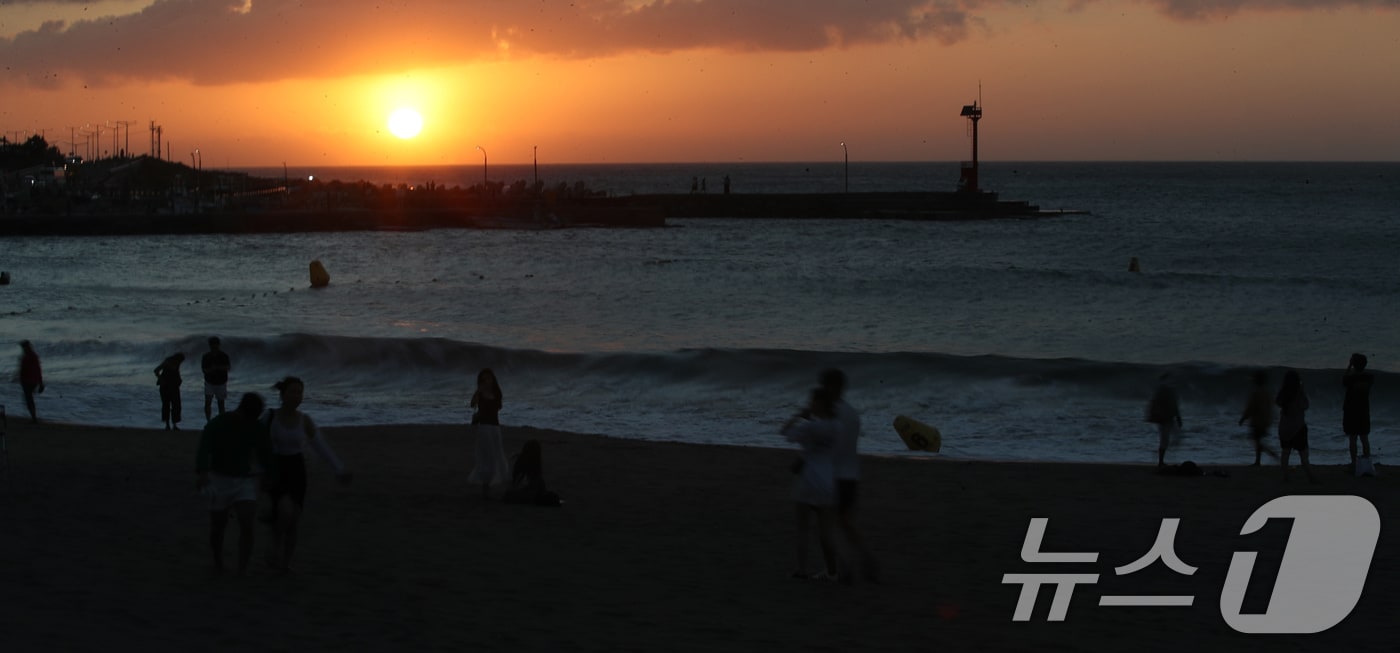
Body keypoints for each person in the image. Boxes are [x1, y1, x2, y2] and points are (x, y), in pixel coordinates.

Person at [262, 376, 351, 572]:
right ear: (282, 395)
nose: (296, 396)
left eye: (299, 392)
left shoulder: (305, 420)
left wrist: (338, 468)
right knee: (285, 512)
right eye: (292, 392)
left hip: (297, 470)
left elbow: (321, 447)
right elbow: (253, 441)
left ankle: (285, 563)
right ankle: (274, 546)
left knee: (294, 521)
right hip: (276, 468)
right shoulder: (269, 416)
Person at [196, 393, 272, 577]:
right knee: (218, 525)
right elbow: (204, 446)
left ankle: (242, 569)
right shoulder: (219, 423)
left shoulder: (256, 426)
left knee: (247, 522)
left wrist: (269, 477)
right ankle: (218, 562)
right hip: (218, 478)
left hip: (244, 479)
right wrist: (203, 472)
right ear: (241, 409)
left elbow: (265, 453)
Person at [821, 368, 878, 583]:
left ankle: (844, 566)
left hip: (833, 475)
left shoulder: (831, 413)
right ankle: (866, 559)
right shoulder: (852, 413)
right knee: (846, 523)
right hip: (852, 475)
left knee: (826, 525)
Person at [781, 387, 840, 581]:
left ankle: (802, 569)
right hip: (828, 479)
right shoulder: (835, 426)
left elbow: (786, 432)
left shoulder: (810, 427)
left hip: (809, 480)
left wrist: (799, 415)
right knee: (825, 531)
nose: (810, 404)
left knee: (803, 528)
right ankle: (832, 571)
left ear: (819, 403)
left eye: (812, 401)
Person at [468, 368, 510, 499]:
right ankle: (485, 488)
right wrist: (478, 392)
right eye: (484, 379)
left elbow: (498, 407)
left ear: (493, 379)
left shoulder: (497, 393)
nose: (487, 381)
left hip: (495, 428)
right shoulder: (480, 393)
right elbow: (472, 404)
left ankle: (489, 486)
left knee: (497, 456)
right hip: (484, 428)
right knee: (487, 458)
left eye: (489, 378)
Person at [1276, 369, 1317, 483]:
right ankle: (1311, 477)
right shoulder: (1299, 395)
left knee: (1285, 453)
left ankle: (1286, 477)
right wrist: (1302, 390)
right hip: (1298, 428)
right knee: (1304, 456)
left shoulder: (1282, 394)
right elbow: (1305, 406)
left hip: (1284, 428)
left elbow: (1278, 402)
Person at [1237, 370, 1277, 466]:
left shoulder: (1255, 393)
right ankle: (1258, 460)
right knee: (1257, 440)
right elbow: (1270, 406)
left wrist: (1243, 418)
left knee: (1255, 440)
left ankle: (1270, 453)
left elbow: (1251, 407)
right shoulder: (1266, 392)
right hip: (1265, 420)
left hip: (1257, 421)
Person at [1343, 353, 1374, 469]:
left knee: (1353, 438)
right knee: (1364, 438)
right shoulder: (1370, 377)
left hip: (1351, 410)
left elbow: (1344, 379)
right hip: (1363, 410)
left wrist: (1349, 365)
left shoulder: (1350, 378)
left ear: (1353, 364)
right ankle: (1367, 463)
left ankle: (1354, 463)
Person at [1146, 373, 1183, 467]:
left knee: (1174, 437)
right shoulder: (1164, 389)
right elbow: (1172, 405)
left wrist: (1177, 417)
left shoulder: (1165, 389)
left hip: (1167, 418)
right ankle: (1160, 460)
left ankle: (1162, 457)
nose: (1172, 381)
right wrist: (1178, 417)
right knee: (1166, 439)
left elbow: (1173, 405)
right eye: (1169, 379)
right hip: (1164, 418)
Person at [202, 337, 231, 421]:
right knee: (208, 403)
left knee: (221, 403)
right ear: (210, 345)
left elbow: (228, 367)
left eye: (216, 345)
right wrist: (211, 370)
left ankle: (221, 421)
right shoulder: (206, 356)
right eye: (212, 345)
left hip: (221, 382)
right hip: (209, 382)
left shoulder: (224, 355)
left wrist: (217, 368)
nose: (214, 347)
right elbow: (204, 370)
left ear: (218, 345)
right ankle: (208, 421)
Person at [154, 353, 185, 430]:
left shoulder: (176, 363)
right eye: (180, 361)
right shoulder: (167, 362)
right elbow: (156, 370)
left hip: (174, 386)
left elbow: (176, 373)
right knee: (166, 405)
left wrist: (179, 379)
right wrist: (161, 379)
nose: (180, 363)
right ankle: (168, 425)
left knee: (176, 405)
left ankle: (174, 425)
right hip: (165, 387)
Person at [18, 340, 44, 424]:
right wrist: (40, 383)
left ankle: (34, 418)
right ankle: (33, 417)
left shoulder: (27, 357)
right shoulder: (33, 356)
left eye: (23, 347)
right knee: (29, 398)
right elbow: (38, 370)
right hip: (33, 381)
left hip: (27, 381)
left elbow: (23, 370)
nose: (23, 349)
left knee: (29, 399)